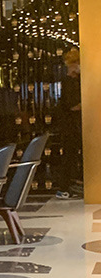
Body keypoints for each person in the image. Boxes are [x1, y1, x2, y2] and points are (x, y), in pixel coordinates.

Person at [55, 48, 82, 199]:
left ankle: (70, 184)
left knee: (72, 154)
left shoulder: (75, 80)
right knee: (69, 154)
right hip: (69, 125)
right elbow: (72, 105)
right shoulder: (69, 81)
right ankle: (64, 187)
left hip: (72, 124)